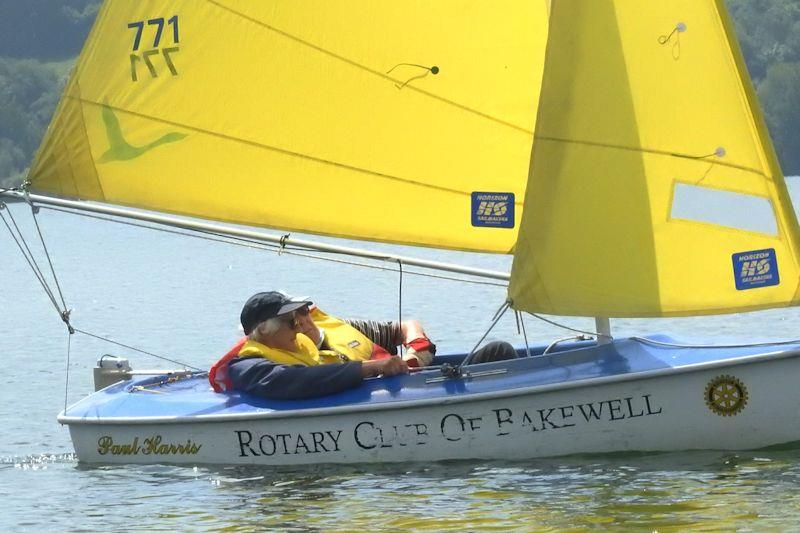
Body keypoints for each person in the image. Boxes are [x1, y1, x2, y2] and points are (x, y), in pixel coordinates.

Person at [209, 291, 518, 400]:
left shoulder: (312, 342)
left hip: (411, 390)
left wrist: (414, 353)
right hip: (387, 404)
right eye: (292, 319)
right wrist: (376, 366)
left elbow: (405, 327)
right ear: (263, 329)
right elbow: (293, 381)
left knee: (500, 352)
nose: (301, 324)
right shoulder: (247, 364)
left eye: (304, 313)